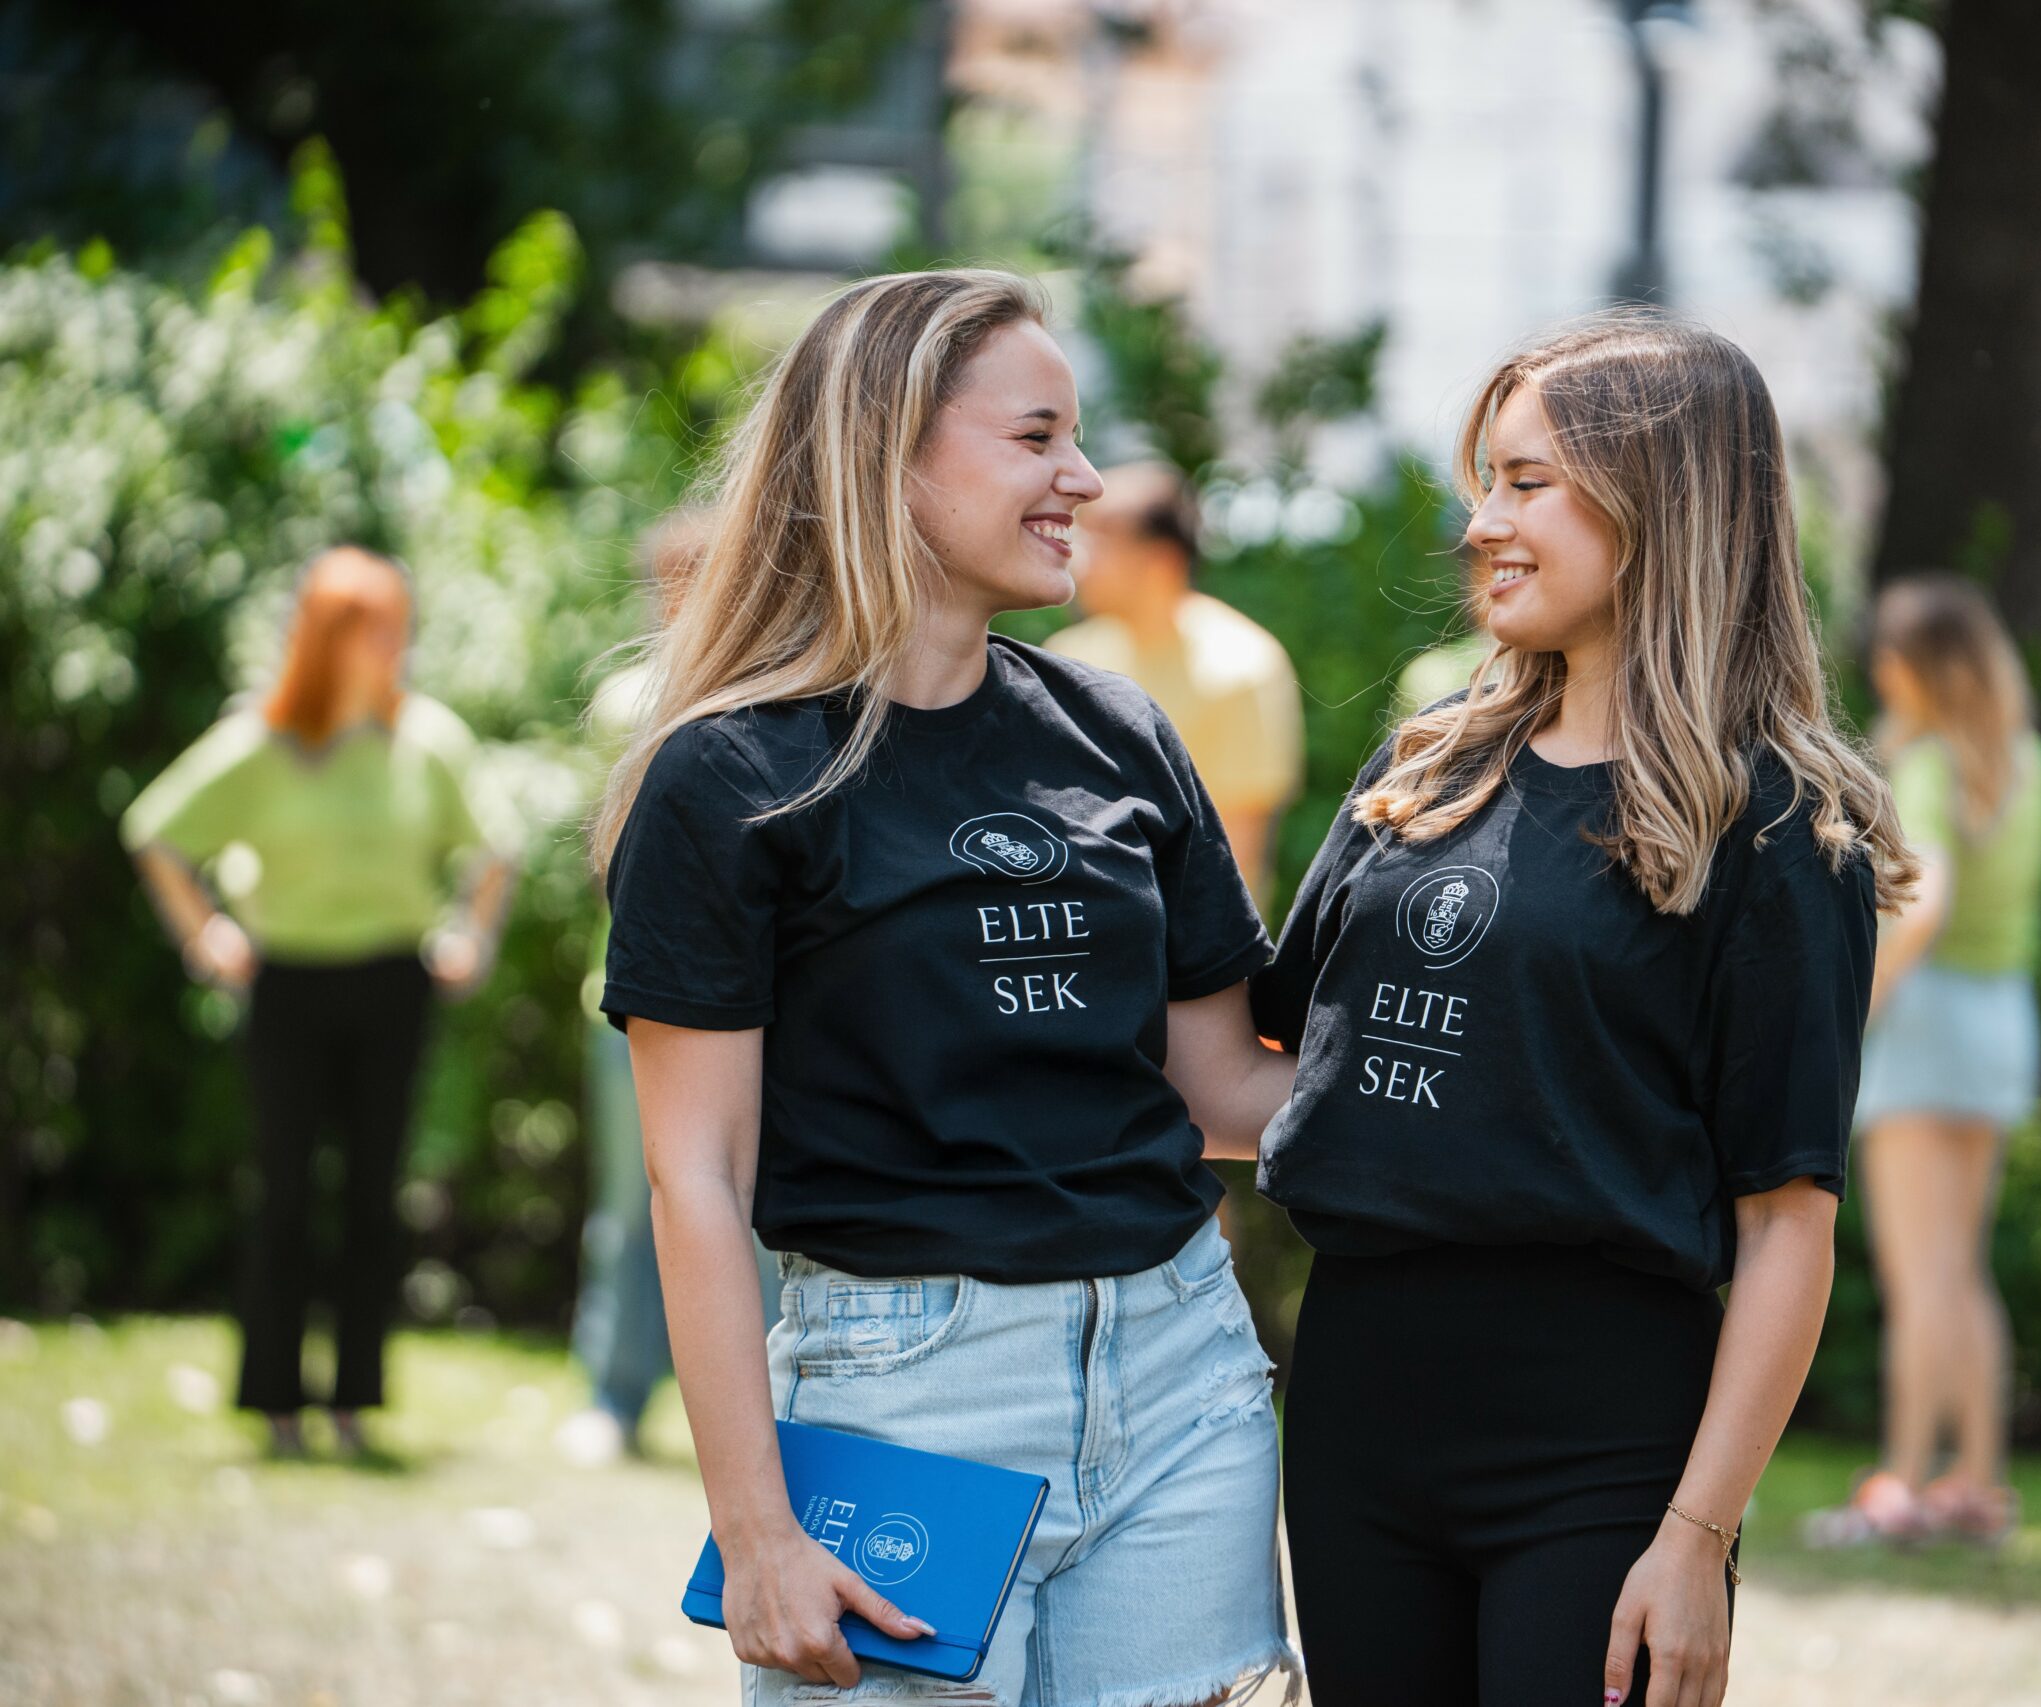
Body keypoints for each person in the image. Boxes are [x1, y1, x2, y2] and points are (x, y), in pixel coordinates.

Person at [591, 269, 1301, 1703]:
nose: (1083, 478)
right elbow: (696, 1179)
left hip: (1182, 1373)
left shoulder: (1119, 733)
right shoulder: (728, 778)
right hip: (905, 1396)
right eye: (1038, 437)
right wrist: (757, 1528)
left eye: (1076, 438)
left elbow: (1223, 1088)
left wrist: (1497, 1082)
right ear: (885, 455)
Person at [1251, 312, 1914, 1707]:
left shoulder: (1778, 828)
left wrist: (1698, 1536)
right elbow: (1278, 1066)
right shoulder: (1426, 768)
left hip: (1599, 1443)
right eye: (1484, 482)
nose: (1482, 522)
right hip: (1357, 1407)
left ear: (1659, 501)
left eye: (1526, 483)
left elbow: (1787, 1224)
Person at [121, 547, 514, 1459]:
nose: (394, 648)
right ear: (325, 638)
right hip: (287, 984)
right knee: (285, 1192)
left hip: (394, 983)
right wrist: (205, 935)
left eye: (399, 630)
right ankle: (276, 1402)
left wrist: (472, 937)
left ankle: (353, 1402)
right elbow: (155, 832)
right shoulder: (262, 740)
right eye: (376, 632)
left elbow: (495, 847)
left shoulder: (425, 738)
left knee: (374, 1194)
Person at [1803, 574, 2041, 1548]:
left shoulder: (1925, 763)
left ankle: (1901, 1484)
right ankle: (1976, 1483)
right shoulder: (2031, 761)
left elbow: (1927, 897)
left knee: (1920, 1278)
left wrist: (1858, 1006)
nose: (1880, 673)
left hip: (1925, 1019)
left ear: (1921, 667)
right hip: (2002, 1019)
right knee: (1963, 1269)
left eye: (1890, 658)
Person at [558, 509, 781, 1465]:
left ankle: (771, 1412)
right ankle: (613, 1397)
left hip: (764, 1009)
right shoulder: (633, 698)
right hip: (639, 1004)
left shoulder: (784, 688)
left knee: (765, 1219)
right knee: (634, 1207)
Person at [1048, 462, 1304, 902]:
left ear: (1162, 560)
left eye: (1102, 540)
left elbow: (1235, 859)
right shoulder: (1066, 656)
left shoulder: (1240, 668)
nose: (1079, 558)